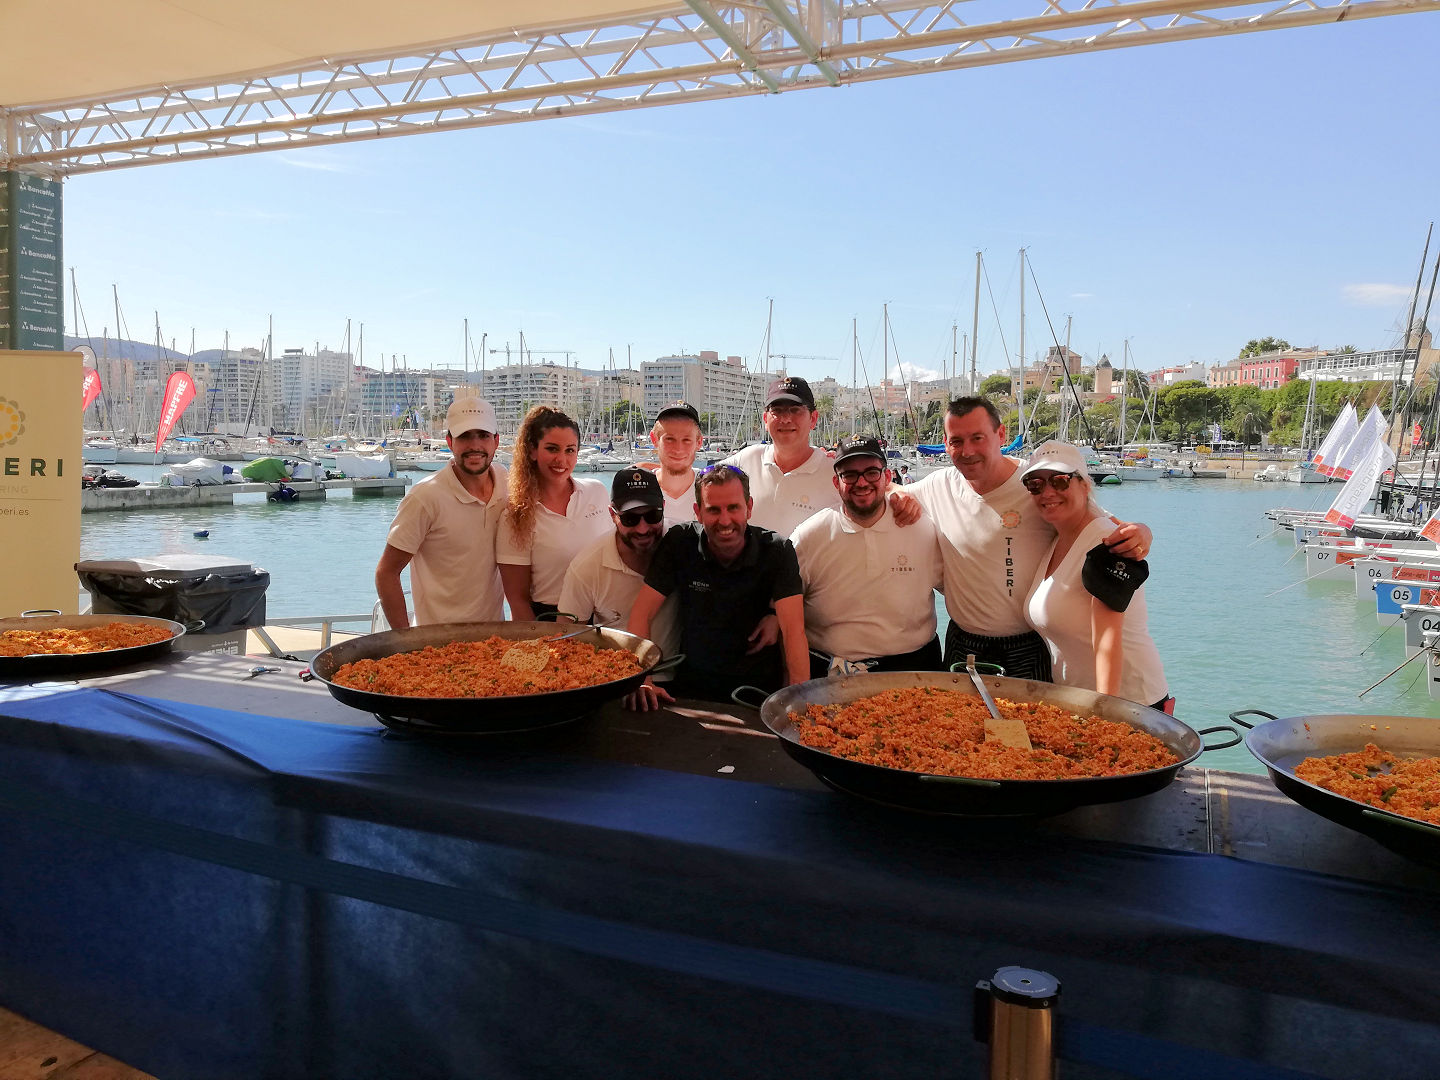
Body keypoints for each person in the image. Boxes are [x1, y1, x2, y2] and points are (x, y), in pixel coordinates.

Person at [900, 396, 1151, 680]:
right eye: (956, 441)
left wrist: (1143, 530)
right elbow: (884, 495)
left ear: (1001, 434)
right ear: (946, 444)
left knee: (1031, 724)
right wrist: (899, 500)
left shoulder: (1037, 483)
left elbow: (1098, 522)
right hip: (963, 642)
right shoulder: (937, 485)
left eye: (978, 437)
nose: (967, 451)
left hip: (1030, 643)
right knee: (956, 725)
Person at [627, 464, 808, 708]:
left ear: (749, 508)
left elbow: (793, 630)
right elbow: (641, 613)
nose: (725, 521)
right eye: (713, 510)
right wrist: (642, 679)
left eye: (733, 508)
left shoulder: (777, 550)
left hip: (758, 690)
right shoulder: (681, 543)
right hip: (693, 688)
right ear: (698, 512)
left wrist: (797, 700)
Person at [1020, 441, 1169, 710]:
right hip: (1080, 701)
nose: (1047, 492)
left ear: (1085, 484)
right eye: (1036, 484)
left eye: (1060, 481)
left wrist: (1104, 714)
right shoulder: (1058, 540)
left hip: (1129, 705)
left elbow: (1107, 643)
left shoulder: (1107, 544)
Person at [790, 434, 944, 676]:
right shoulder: (808, 537)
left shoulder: (924, 529)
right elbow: (785, 610)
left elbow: (958, 590)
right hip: (829, 674)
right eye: (849, 475)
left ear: (887, 477)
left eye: (871, 472)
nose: (861, 483)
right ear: (836, 482)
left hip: (915, 668)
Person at [374, 396, 507, 629]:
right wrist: (404, 641)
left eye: (483, 435)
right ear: (449, 441)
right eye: (465, 436)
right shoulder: (424, 498)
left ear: (496, 441)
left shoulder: (506, 482)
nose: (475, 445)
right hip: (434, 642)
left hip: (493, 640)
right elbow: (386, 573)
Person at [496, 405, 610, 620]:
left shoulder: (597, 492)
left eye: (570, 450)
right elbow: (517, 600)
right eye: (552, 449)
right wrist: (536, 647)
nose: (562, 460)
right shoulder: (516, 515)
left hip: (603, 620)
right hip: (548, 622)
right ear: (531, 451)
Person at [557, 466, 680, 660]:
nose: (642, 528)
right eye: (630, 519)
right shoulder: (587, 567)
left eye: (652, 516)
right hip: (618, 677)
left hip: (679, 674)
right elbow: (566, 638)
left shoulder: (684, 544)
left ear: (664, 507)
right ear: (612, 514)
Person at [721, 376, 842, 536]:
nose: (785, 419)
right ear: (765, 419)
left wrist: (888, 492)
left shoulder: (836, 474)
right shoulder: (747, 460)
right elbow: (701, 476)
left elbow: (873, 498)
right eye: (777, 410)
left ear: (813, 419)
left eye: (795, 410)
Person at [638, 400, 704, 521]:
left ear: (699, 442)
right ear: (654, 439)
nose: (678, 449)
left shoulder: (711, 489)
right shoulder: (637, 491)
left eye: (686, 440)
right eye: (669, 439)